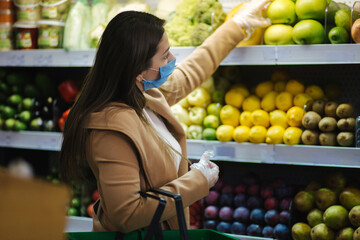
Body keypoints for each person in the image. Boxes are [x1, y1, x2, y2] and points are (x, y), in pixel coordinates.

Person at [59, 0, 271, 233]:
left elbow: (191, 72)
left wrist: (238, 25)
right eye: (165, 56)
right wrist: (198, 180)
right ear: (139, 70)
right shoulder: (109, 129)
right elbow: (127, 214)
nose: (172, 60)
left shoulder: (143, 95)